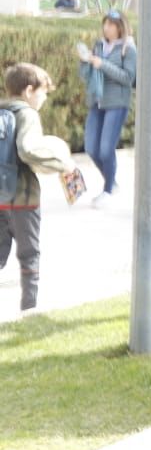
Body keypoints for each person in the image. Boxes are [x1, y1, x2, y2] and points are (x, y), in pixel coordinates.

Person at [0, 64, 76, 311]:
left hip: (2, 198)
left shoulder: (2, 110)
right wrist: (61, 163)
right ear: (29, 90)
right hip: (24, 199)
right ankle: (29, 310)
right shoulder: (28, 114)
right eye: (44, 92)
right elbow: (27, 149)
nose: (44, 98)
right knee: (29, 255)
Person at [76, 9, 136, 206]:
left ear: (120, 28)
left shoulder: (128, 49)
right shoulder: (99, 45)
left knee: (105, 149)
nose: (107, 28)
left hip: (117, 103)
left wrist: (102, 65)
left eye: (111, 24)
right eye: (105, 23)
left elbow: (128, 78)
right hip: (97, 101)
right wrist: (85, 61)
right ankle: (112, 182)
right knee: (91, 147)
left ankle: (108, 189)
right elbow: (86, 74)